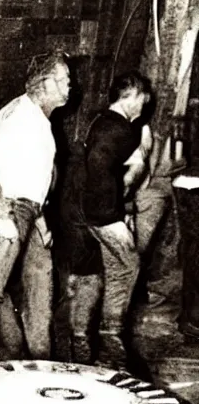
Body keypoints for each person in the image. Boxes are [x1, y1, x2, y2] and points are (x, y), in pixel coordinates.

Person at [0, 53, 71, 363]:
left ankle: (38, 362)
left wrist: (41, 225)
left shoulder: (40, 120)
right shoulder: (19, 115)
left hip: (30, 213)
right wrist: (2, 214)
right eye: (64, 80)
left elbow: (33, 178)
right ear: (46, 83)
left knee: (41, 294)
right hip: (10, 210)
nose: (70, 86)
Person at [56, 70, 152, 369]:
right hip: (97, 212)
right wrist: (111, 219)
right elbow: (112, 173)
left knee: (92, 276)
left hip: (76, 210)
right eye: (141, 101)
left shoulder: (101, 122)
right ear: (132, 95)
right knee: (127, 265)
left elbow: (112, 173)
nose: (143, 108)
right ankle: (111, 342)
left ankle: (81, 346)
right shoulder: (121, 129)